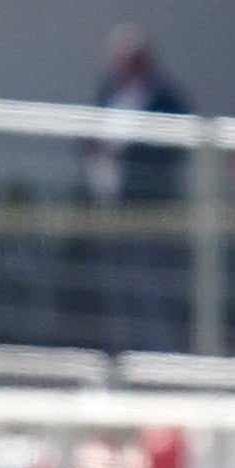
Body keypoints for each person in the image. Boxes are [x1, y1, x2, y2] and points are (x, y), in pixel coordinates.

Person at [86, 29, 194, 349]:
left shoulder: (165, 98)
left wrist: (127, 156)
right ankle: (125, 350)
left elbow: (173, 146)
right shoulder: (110, 92)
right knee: (118, 284)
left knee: (153, 285)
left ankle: (161, 353)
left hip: (148, 207)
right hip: (110, 204)